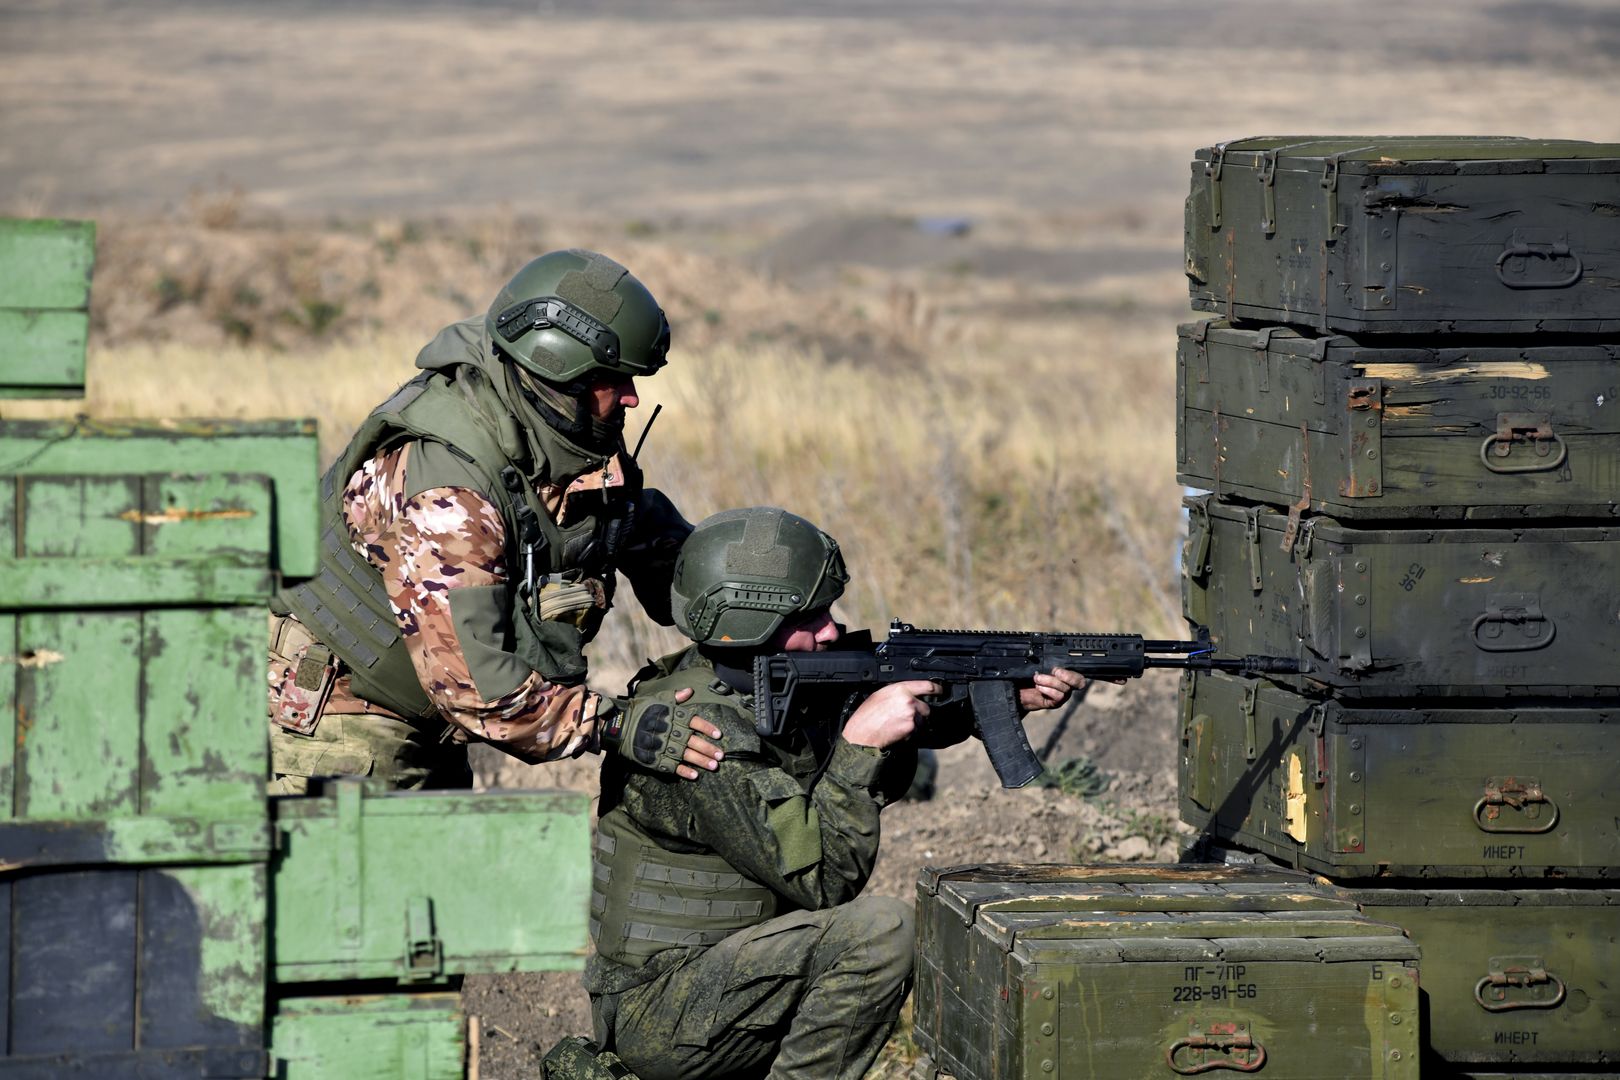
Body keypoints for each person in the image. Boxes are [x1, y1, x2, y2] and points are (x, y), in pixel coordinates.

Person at [584, 507, 1084, 1079]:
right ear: (750, 622)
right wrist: (860, 746)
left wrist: (995, 698)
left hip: (726, 980)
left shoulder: (760, 683)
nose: (831, 630)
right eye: (811, 616)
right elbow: (825, 878)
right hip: (663, 1013)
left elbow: (870, 705)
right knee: (882, 934)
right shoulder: (700, 731)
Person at [266, 249, 722, 793]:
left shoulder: (559, 432)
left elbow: (635, 530)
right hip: (336, 727)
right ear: (557, 369)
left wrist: (754, 606)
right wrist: (619, 726)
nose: (631, 396)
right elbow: (483, 695)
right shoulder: (450, 493)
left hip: (422, 720)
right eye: (613, 379)